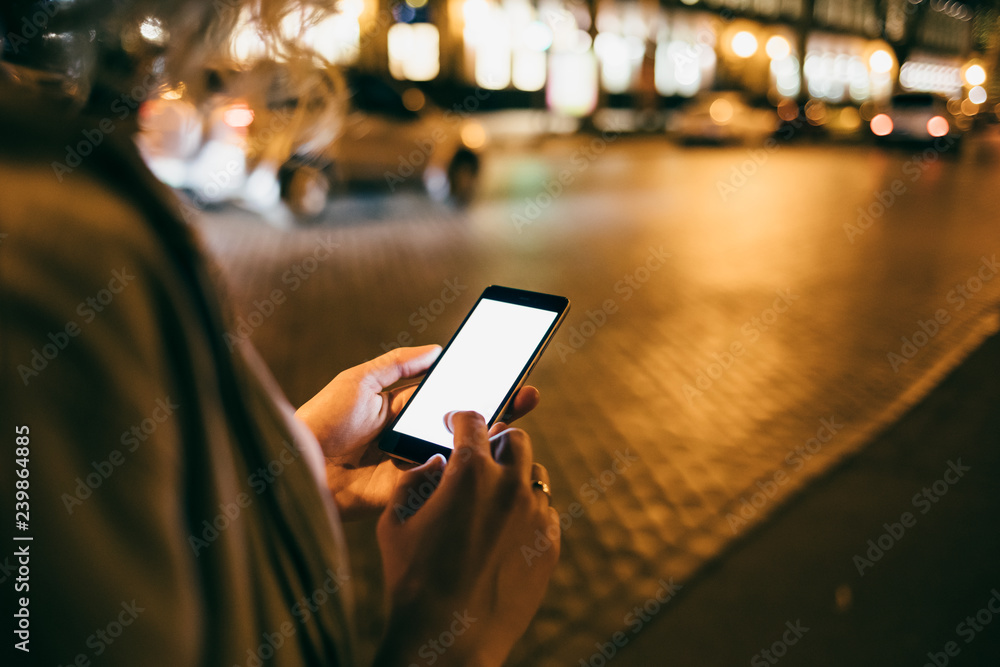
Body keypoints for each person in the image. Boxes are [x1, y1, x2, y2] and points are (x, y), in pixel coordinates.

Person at [0, 1, 560, 665]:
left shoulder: (64, 173)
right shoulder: (46, 249)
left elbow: (147, 520)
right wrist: (448, 627)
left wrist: (291, 465)